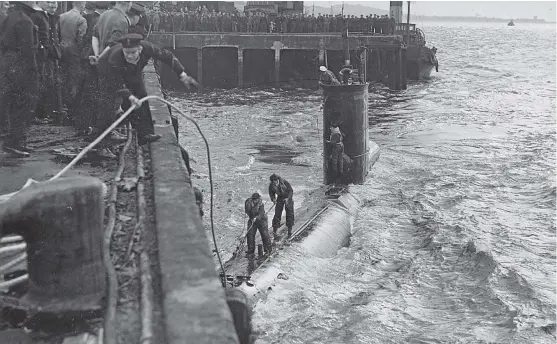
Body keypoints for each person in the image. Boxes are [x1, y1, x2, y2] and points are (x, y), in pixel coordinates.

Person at [96, 33, 199, 146]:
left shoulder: (148, 48)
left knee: (142, 95)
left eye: (133, 52)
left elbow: (167, 56)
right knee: (107, 102)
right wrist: (130, 96)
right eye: (127, 53)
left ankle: (145, 133)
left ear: (140, 49)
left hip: (133, 70)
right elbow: (117, 83)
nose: (130, 56)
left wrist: (182, 74)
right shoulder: (115, 57)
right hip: (107, 73)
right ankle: (102, 140)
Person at [0, 1, 39, 157]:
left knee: (11, 102)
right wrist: (33, 70)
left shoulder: (8, 17)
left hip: (8, 63)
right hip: (21, 66)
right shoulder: (25, 20)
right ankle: (14, 143)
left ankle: (16, 141)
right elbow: (27, 49)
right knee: (23, 104)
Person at [59, 1, 87, 118]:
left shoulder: (62, 16)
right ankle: (73, 110)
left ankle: (62, 106)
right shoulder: (81, 20)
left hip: (61, 51)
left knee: (62, 79)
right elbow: (81, 39)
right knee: (74, 80)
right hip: (74, 53)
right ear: (82, 5)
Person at [268, 174, 294, 238]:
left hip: (288, 197)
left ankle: (290, 230)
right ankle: (275, 230)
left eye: (276, 182)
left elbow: (291, 191)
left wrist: (288, 199)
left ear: (277, 180)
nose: (275, 183)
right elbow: (271, 194)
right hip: (280, 197)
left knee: (289, 214)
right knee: (277, 214)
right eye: (273, 182)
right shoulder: (271, 185)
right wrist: (273, 199)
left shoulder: (284, 182)